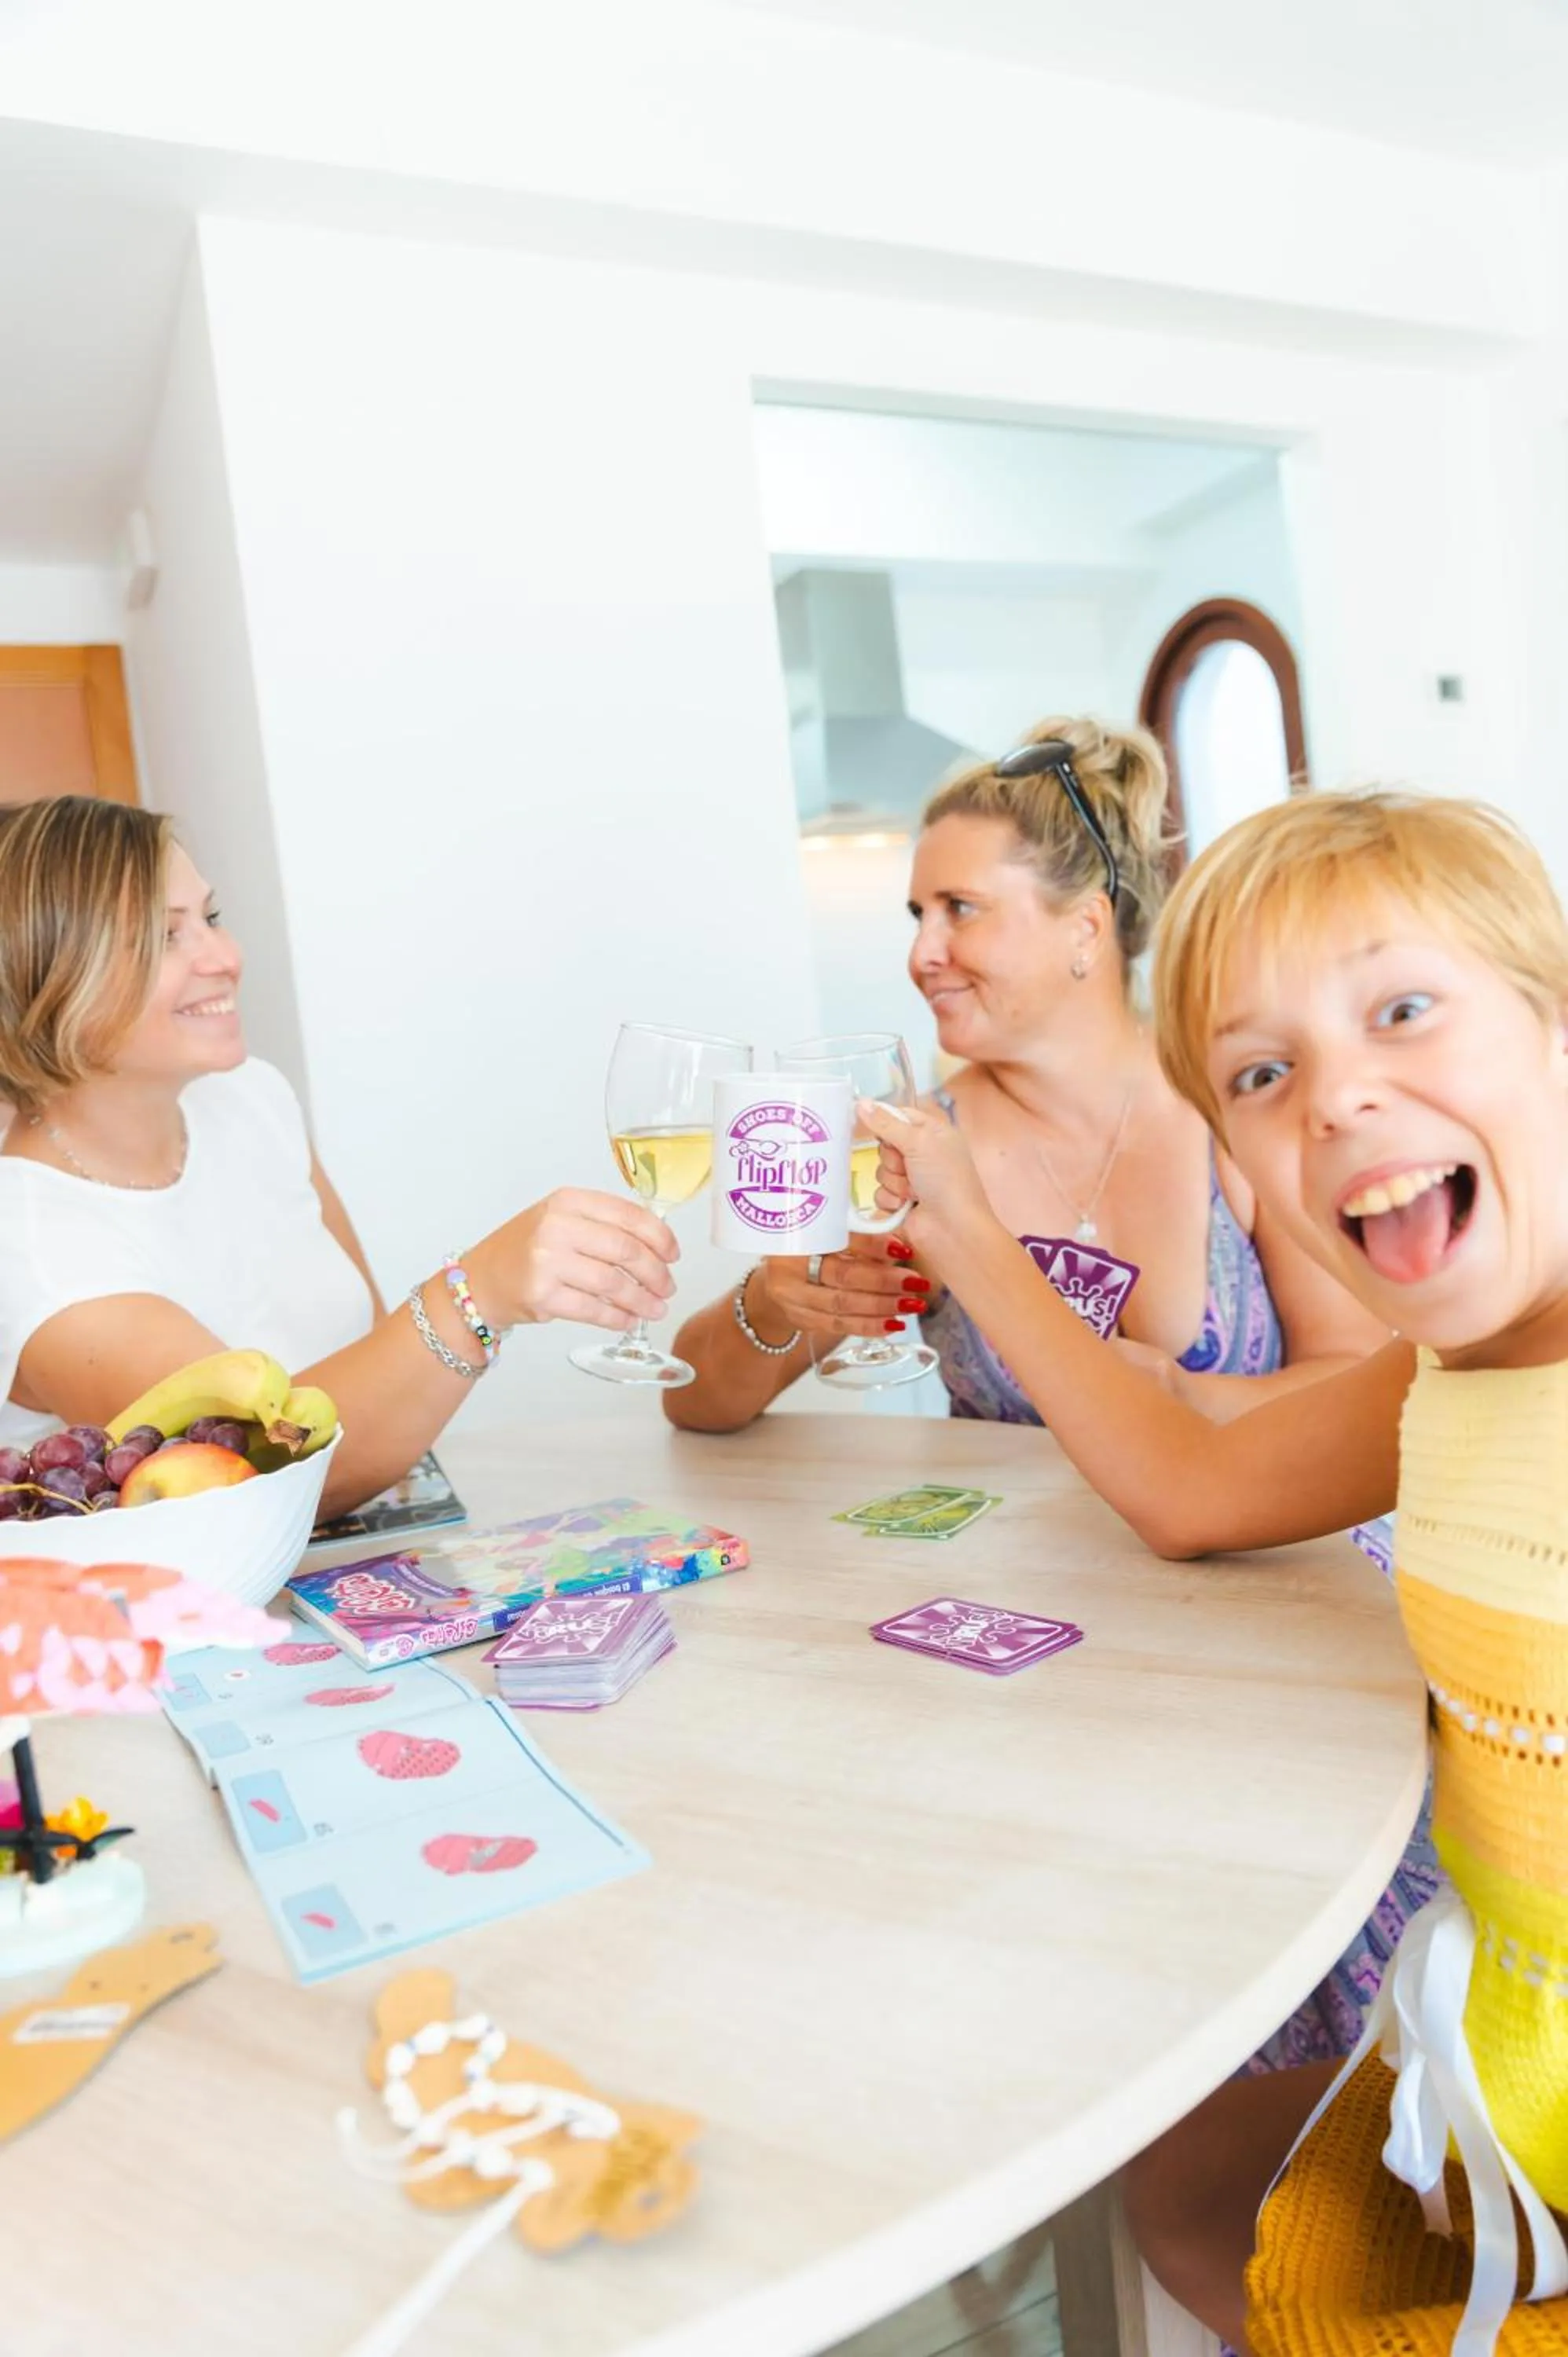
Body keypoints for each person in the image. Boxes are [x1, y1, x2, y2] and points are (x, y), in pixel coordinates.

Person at [861, 789, 1568, 2353]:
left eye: (1400, 1010)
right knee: (1176, 2179)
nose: (1331, 1101)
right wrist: (970, 1240)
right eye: (1262, 1071)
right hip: (1505, 2088)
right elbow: (1185, 1492)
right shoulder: (1439, 1380)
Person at [668, 717, 1385, 1437]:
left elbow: (1352, 1381)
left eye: (961, 910)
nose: (922, 954)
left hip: (1271, 1545)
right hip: (1020, 1552)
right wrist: (774, 1297)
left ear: (1085, 926)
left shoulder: (1238, 1108)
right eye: (919, 916)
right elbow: (698, 1403)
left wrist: (1176, 1395)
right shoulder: (908, 1148)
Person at [0, 797, 678, 1517]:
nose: (225, 958)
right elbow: (260, 1477)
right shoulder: (28, 1240)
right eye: (166, 937)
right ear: (49, 974)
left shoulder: (251, 1100)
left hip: (377, 1553)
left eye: (211, 919)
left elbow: (372, 1366)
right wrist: (477, 1291)